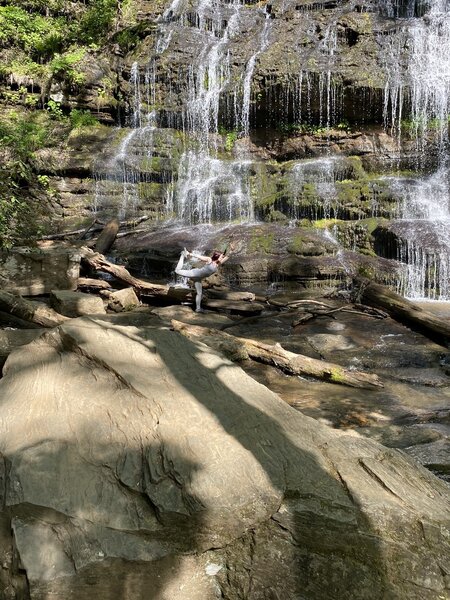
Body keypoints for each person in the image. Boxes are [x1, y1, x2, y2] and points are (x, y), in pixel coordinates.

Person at [174, 247, 229, 312]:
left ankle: (198, 309)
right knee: (177, 271)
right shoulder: (209, 260)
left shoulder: (217, 264)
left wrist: (231, 250)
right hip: (193, 273)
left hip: (198, 278)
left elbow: (227, 257)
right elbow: (199, 256)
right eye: (221, 257)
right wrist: (189, 253)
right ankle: (183, 255)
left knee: (199, 293)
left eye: (222, 257)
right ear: (217, 257)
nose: (222, 258)